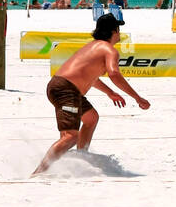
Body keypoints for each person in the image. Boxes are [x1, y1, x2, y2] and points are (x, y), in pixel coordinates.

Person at [33, 14, 151, 176]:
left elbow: (90, 77)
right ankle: (39, 172)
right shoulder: (109, 50)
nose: (119, 33)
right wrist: (137, 98)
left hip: (63, 87)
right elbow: (114, 74)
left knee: (91, 117)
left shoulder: (94, 46)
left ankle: (81, 156)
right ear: (114, 31)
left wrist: (110, 92)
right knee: (70, 136)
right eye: (118, 29)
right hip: (66, 90)